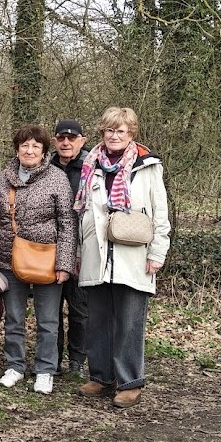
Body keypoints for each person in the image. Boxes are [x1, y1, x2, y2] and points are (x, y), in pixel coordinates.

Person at [75, 107, 170, 409]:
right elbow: (83, 215)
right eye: (109, 130)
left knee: (129, 321)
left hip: (134, 254)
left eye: (121, 131)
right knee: (98, 319)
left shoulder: (147, 166)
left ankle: (130, 381)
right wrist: (79, 252)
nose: (114, 136)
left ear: (131, 134)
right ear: (102, 132)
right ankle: (101, 377)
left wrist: (157, 253)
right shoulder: (90, 164)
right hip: (97, 253)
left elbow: (160, 213)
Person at [0, 125, 76, 395]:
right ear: (17, 149)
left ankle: (45, 370)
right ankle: (15, 366)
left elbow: (67, 223)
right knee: (14, 318)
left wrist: (64, 264)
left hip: (47, 259)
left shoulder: (57, 178)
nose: (30, 150)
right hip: (8, 258)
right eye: (25, 145)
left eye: (35, 146)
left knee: (48, 321)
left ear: (44, 150)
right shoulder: (4, 178)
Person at [51, 118, 89, 375]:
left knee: (79, 309)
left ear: (81, 141)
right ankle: (52, 358)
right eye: (61, 138)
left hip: (81, 250)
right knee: (50, 310)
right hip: (48, 249)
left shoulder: (91, 167)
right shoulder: (45, 166)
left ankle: (77, 359)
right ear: (54, 141)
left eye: (71, 138)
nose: (66, 143)